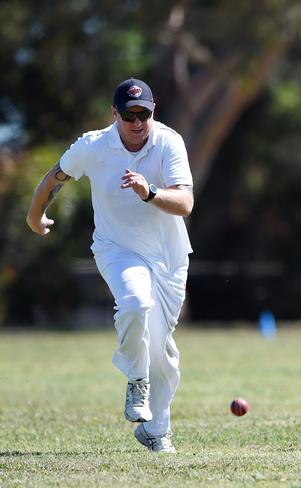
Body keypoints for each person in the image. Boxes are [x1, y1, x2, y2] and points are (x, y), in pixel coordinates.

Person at [26, 78, 194, 453]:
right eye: (130, 115)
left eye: (144, 114)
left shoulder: (168, 142)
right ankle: (137, 382)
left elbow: (185, 203)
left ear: (154, 111)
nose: (138, 123)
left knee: (161, 344)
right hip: (117, 249)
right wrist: (35, 215)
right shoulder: (94, 145)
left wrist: (149, 192)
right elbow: (57, 176)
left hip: (169, 256)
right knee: (135, 303)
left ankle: (155, 430)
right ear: (114, 113)